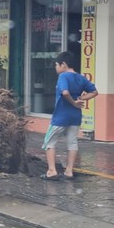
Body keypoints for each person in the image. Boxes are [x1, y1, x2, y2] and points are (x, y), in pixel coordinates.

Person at [41, 52, 98, 180]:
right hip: (75, 117)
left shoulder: (63, 76)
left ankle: (51, 171)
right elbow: (94, 92)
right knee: (72, 143)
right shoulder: (80, 78)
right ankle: (69, 171)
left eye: (56, 65)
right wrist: (80, 99)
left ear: (63, 65)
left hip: (61, 116)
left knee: (49, 142)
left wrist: (73, 102)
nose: (56, 68)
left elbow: (65, 92)